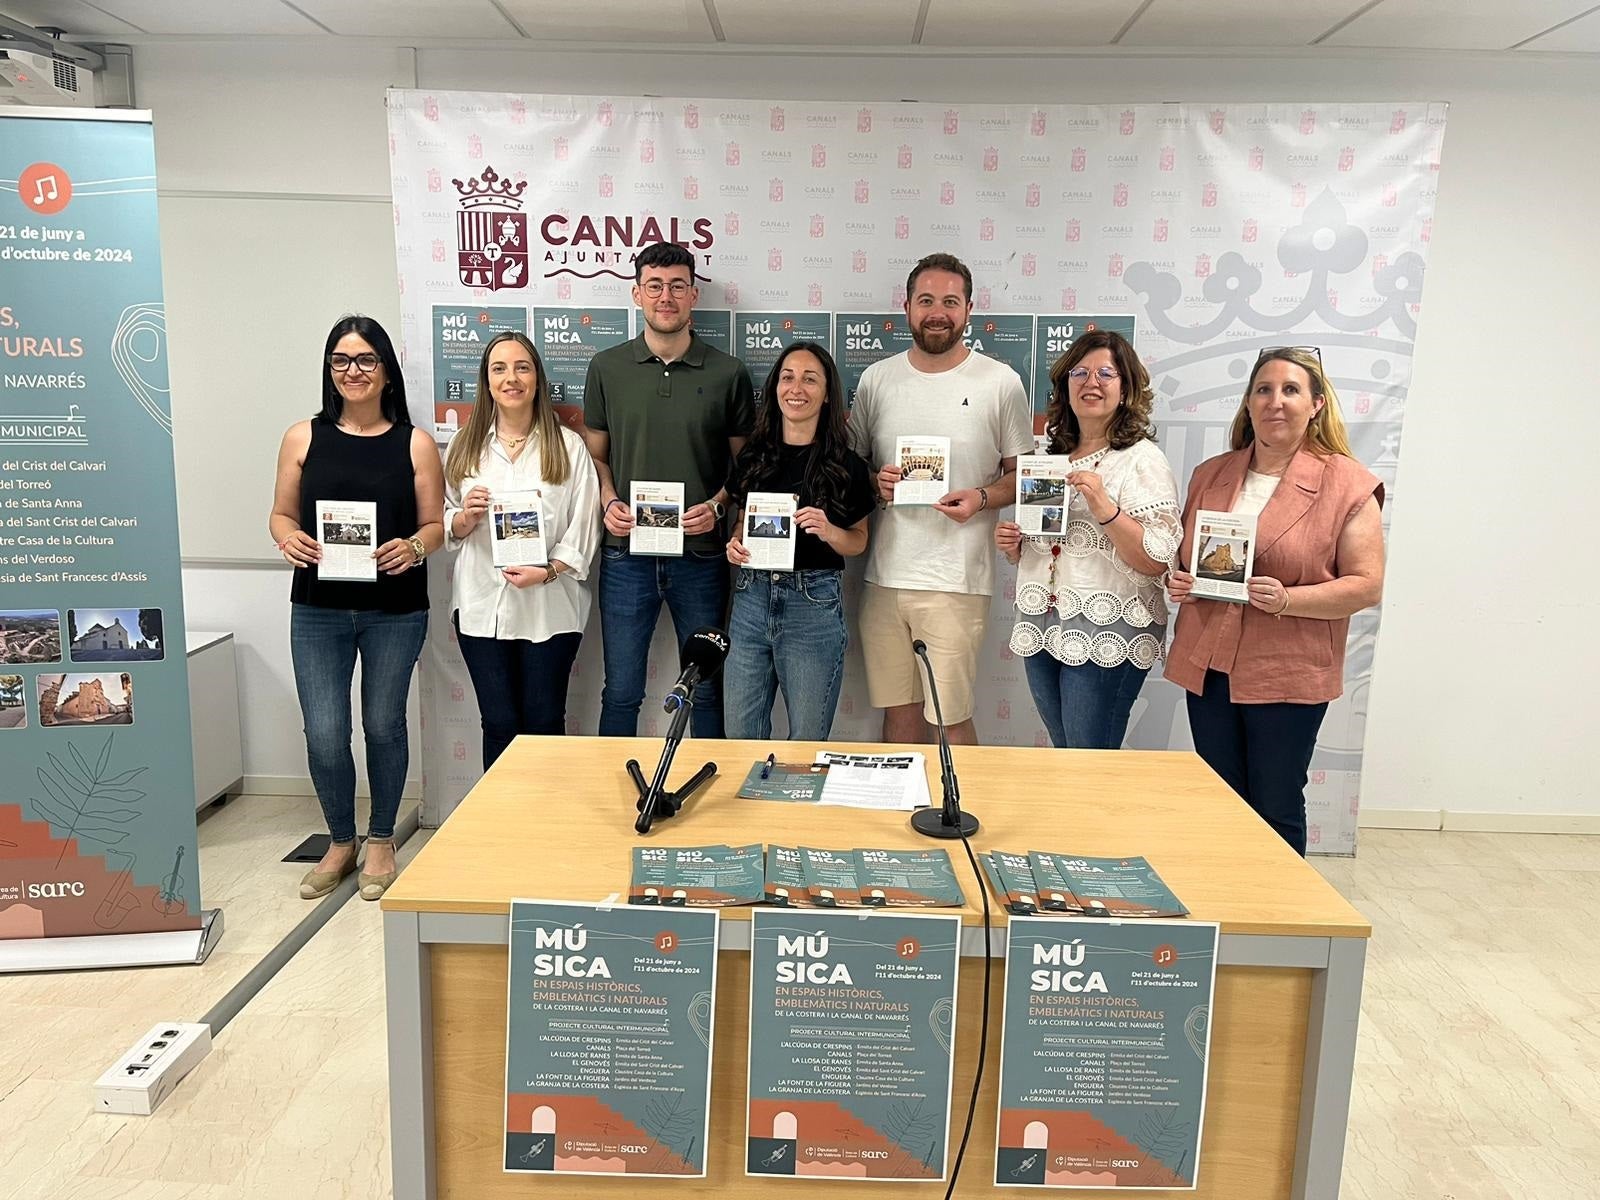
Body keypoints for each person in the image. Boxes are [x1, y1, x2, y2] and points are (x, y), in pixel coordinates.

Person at [1165, 347, 1385, 856]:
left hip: (1288, 670)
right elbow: (1191, 556)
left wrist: (1289, 599)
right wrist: (1183, 581)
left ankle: (1279, 903)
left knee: (1275, 803)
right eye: (1263, 389)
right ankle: (1226, 893)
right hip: (1209, 663)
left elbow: (1366, 584)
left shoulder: (1348, 483)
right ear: (1248, 403)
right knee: (1220, 799)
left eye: (1290, 390)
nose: (1275, 401)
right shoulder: (1210, 473)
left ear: (1316, 404)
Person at [270, 315, 443, 900]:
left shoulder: (415, 443)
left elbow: (434, 526)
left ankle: (381, 840)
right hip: (318, 608)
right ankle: (340, 841)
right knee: (324, 731)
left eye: (366, 359)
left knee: (383, 725)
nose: (353, 371)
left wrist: (413, 547)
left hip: (395, 609)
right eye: (341, 360)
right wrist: (287, 537)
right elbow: (280, 514)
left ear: (386, 370)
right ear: (329, 369)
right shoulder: (302, 437)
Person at [848, 252, 1034, 745]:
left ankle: (961, 799)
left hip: (957, 580)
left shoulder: (1000, 382)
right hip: (884, 577)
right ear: (907, 306)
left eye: (950, 302)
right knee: (898, 713)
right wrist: (874, 482)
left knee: (950, 717)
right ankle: (902, 797)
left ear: (969, 309)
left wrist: (982, 497)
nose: (937, 312)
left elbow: (1023, 475)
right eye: (926, 300)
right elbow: (850, 467)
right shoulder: (877, 379)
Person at [582, 242, 755, 737]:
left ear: (693, 295)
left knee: (706, 689)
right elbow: (595, 457)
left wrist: (719, 506)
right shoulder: (606, 368)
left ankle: (710, 785)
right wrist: (609, 500)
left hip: (701, 555)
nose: (666, 296)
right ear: (637, 293)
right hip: (626, 555)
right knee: (621, 691)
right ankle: (614, 786)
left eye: (677, 286)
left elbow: (747, 467)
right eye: (654, 285)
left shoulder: (729, 373)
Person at [995, 330, 1180, 748]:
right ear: (1065, 386)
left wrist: (1105, 507)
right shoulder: (1049, 460)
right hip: (1044, 623)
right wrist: (1016, 546)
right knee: (1066, 754)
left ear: (1126, 388)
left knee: (1089, 759)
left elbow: (1158, 559)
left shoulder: (1141, 460)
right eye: (1079, 373)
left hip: (1106, 627)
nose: (1090, 382)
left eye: (1105, 374)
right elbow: (1059, 548)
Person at [443, 331, 599, 769]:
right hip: (481, 607)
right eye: (499, 369)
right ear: (486, 381)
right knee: (498, 723)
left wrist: (547, 571)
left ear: (537, 379)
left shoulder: (568, 447)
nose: (511, 378)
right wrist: (464, 517)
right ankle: (501, 811)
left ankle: (547, 812)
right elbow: (443, 519)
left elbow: (585, 525)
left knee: (544, 722)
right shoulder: (463, 446)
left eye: (521, 368)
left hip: (550, 608)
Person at [723, 342, 877, 740]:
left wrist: (829, 531)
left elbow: (858, 541)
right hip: (751, 598)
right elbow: (741, 523)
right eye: (787, 377)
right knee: (739, 736)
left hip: (813, 604)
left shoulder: (846, 465)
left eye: (810, 379)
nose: (796, 388)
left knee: (806, 742)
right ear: (775, 387)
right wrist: (736, 545)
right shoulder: (754, 455)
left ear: (826, 395)